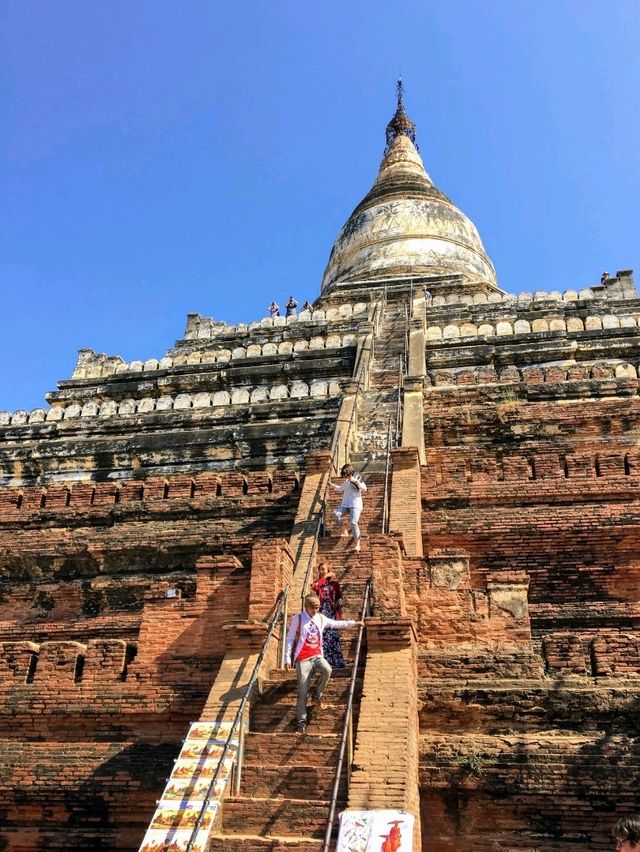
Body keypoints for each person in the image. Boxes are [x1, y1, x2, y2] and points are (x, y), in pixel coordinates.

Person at [285, 593, 363, 733]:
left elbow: (336, 624)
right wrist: (287, 658)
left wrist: (354, 623)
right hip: (302, 658)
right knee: (303, 691)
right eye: (313, 608)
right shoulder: (298, 618)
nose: (316, 610)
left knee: (327, 670)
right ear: (307, 607)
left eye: (318, 607)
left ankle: (317, 696)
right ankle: (301, 721)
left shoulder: (320, 618)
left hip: (316, 655)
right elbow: (290, 638)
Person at [311, 563, 346, 668]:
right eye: (320, 570)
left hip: (331, 612)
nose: (321, 571)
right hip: (321, 612)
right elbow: (315, 587)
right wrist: (325, 577)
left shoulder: (334, 584)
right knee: (323, 636)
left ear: (328, 570)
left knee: (333, 636)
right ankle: (325, 662)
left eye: (323, 570)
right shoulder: (318, 583)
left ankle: (336, 662)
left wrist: (339, 609)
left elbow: (339, 598)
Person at [330, 463, 367, 552]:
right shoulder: (346, 482)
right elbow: (340, 488)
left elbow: (364, 488)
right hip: (345, 505)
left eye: (346, 474)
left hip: (355, 505)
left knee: (353, 522)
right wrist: (332, 485)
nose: (345, 476)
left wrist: (355, 481)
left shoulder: (357, 478)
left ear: (349, 472)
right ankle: (344, 530)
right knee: (335, 514)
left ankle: (357, 544)